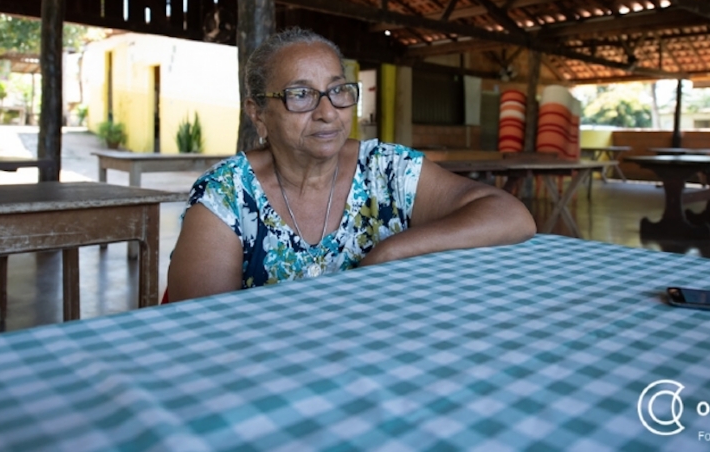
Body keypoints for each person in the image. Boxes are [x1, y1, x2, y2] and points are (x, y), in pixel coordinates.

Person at [167, 28, 536, 300]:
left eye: (337, 90)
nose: (328, 113)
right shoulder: (228, 196)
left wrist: (393, 250)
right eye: (300, 95)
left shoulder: (385, 171)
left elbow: (511, 215)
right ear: (258, 114)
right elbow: (202, 329)